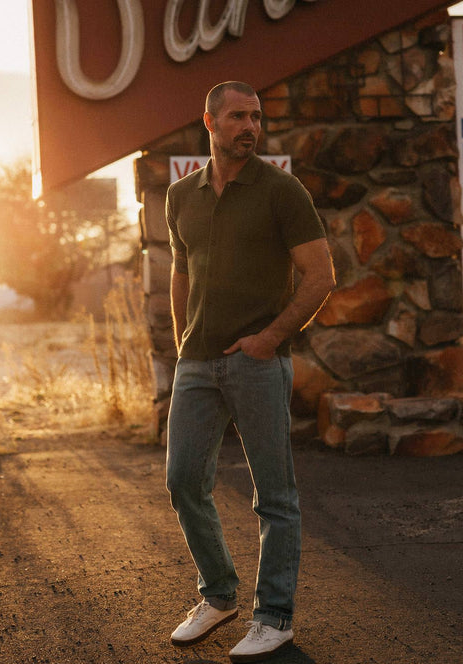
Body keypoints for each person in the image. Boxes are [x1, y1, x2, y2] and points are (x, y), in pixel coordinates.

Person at [165, 81, 335, 662]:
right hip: (197, 361)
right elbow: (181, 270)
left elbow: (320, 275)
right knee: (184, 479)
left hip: (259, 364)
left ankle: (274, 617)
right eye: (237, 116)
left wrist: (269, 339)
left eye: (256, 117)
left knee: (275, 496)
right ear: (208, 120)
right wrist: (182, 339)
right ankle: (218, 596)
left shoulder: (281, 191)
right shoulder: (179, 196)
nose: (250, 127)